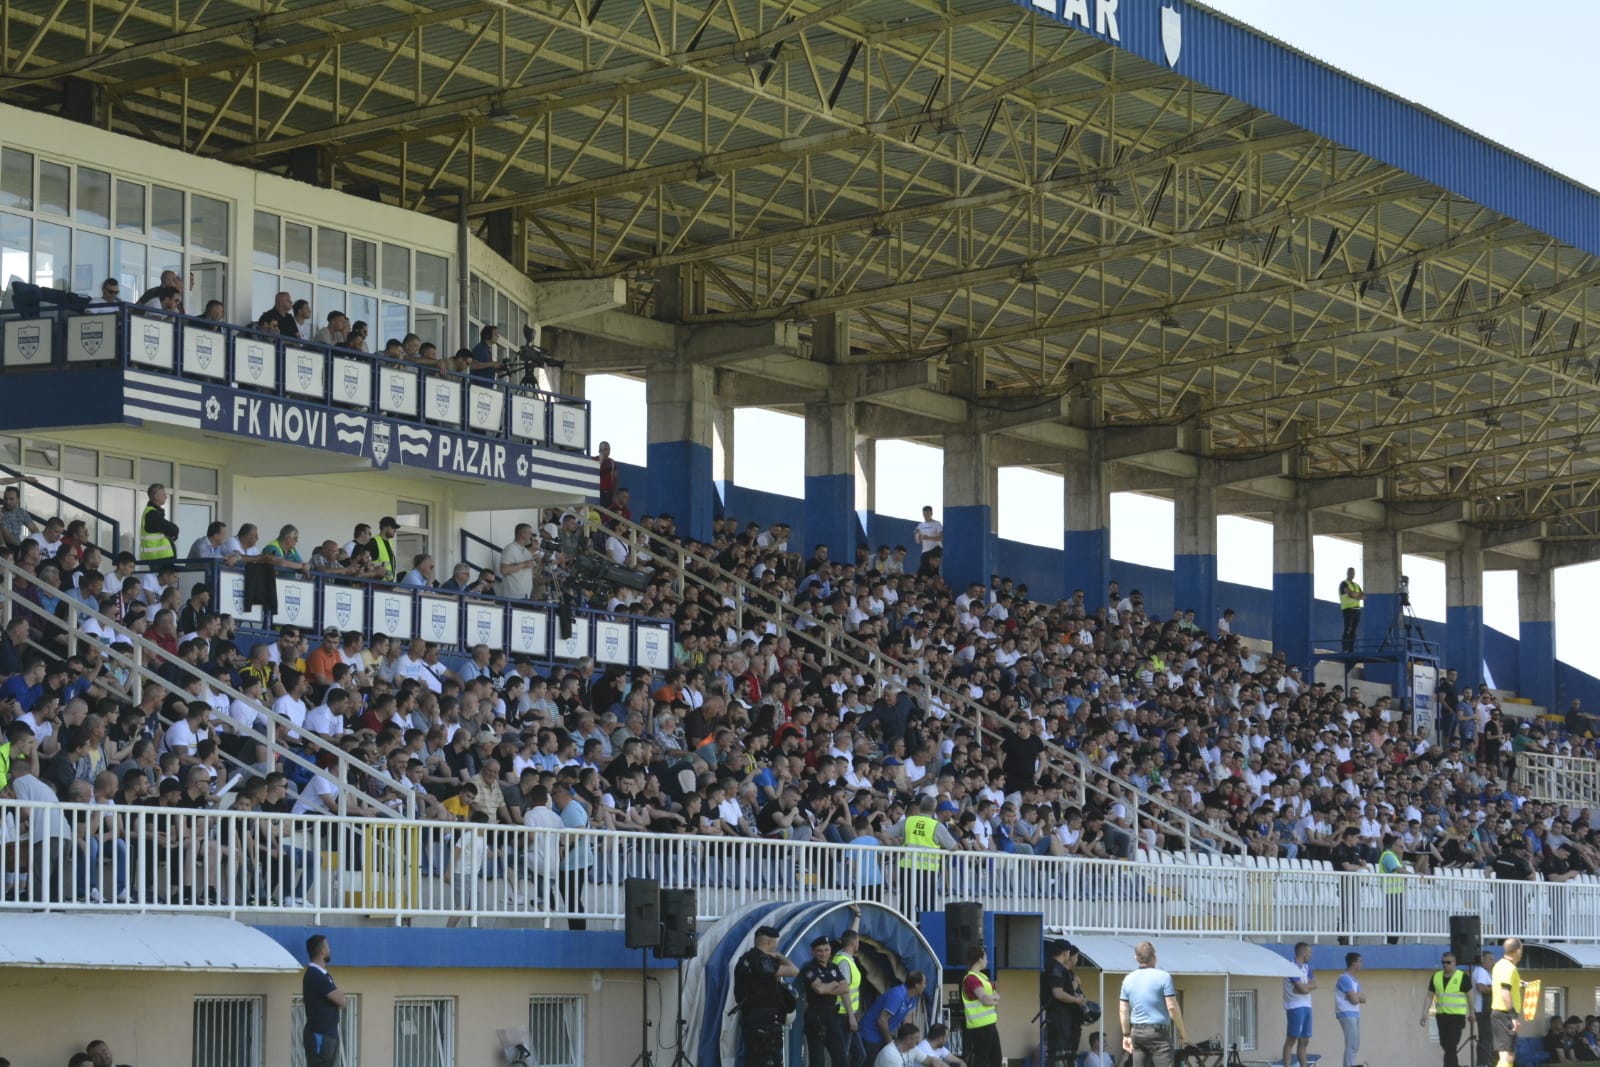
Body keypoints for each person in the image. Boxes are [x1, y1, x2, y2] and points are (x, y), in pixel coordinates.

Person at [734, 925, 800, 1067]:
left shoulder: (743, 960)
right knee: (770, 1060)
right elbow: (794, 970)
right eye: (776, 943)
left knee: (753, 1061)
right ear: (769, 942)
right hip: (766, 1021)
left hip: (749, 1018)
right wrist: (779, 956)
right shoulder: (762, 961)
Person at [1119, 941, 1187, 1067]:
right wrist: (1182, 1030)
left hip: (1137, 1033)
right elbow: (1172, 1006)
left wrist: (1126, 1035)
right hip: (1158, 1034)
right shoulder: (1164, 977)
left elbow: (1123, 1009)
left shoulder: (1128, 979)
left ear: (1136, 958)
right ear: (1154, 956)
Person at [800, 934, 854, 1067]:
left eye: (826, 950)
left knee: (841, 1058)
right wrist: (834, 984)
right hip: (816, 1017)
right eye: (819, 951)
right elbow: (819, 989)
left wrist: (827, 988)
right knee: (817, 1060)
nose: (823, 954)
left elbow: (845, 988)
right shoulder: (809, 968)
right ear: (813, 952)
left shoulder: (833, 967)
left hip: (832, 1015)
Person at [863, 970, 928, 1063]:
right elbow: (881, 1020)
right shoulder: (897, 995)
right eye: (924, 983)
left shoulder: (914, 997)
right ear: (917, 985)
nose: (925, 986)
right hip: (870, 1034)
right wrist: (891, 1043)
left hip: (882, 1035)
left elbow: (908, 1020)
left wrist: (906, 1040)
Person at [1041, 939, 1087, 1067]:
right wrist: (1076, 1000)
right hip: (1058, 1016)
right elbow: (1058, 993)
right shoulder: (1055, 967)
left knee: (1063, 1055)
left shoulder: (1056, 967)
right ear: (1065, 953)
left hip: (1063, 1017)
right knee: (1057, 1055)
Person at [302, 934, 346, 1067]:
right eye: (328, 947)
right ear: (322, 951)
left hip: (326, 1035)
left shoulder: (321, 975)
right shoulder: (316, 975)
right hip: (320, 1035)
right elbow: (341, 1000)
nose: (329, 950)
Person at [1424, 952, 1472, 1067]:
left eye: (1448, 962)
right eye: (1443, 962)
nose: (1445, 965)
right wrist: (1424, 1013)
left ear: (1454, 963)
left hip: (1457, 1017)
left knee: (1451, 1045)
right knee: (1444, 1044)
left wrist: (1472, 1013)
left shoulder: (1462, 977)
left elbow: (1470, 997)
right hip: (1441, 1016)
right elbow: (1430, 996)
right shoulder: (1436, 976)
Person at [835, 906, 867, 1067]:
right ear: (854, 943)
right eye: (858, 941)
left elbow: (852, 935)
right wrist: (851, 1017)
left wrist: (858, 915)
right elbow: (844, 990)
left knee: (860, 1055)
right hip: (843, 1015)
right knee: (844, 1057)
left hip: (848, 1014)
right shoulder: (844, 963)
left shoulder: (846, 956)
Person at [961, 944, 1002, 1067]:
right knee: (982, 1060)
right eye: (986, 958)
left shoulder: (983, 976)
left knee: (997, 1058)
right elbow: (985, 999)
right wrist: (993, 1000)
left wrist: (993, 998)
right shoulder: (971, 979)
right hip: (980, 1026)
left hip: (990, 1024)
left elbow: (995, 995)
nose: (987, 961)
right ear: (980, 959)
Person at [1489, 938, 1524, 1067]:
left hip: (1499, 1014)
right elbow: (1505, 992)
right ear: (1518, 950)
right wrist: (1513, 1017)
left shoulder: (1499, 965)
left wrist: (1519, 984)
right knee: (1507, 1056)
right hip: (1505, 1014)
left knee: (1506, 1055)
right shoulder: (1509, 968)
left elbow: (1504, 985)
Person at [1282, 941, 1316, 1067]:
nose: (1311, 955)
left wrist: (1305, 988)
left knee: (1304, 1040)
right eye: (1309, 952)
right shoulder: (1291, 967)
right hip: (1295, 1006)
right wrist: (1305, 988)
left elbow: (1315, 984)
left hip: (1307, 1005)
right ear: (1304, 952)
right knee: (1292, 1039)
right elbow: (1302, 989)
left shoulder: (1306, 967)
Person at [1335, 952, 1364, 1067]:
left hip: (1355, 1014)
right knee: (1351, 1045)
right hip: (1346, 1014)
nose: (1361, 964)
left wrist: (1354, 995)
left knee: (1355, 1045)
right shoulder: (1344, 978)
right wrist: (1356, 996)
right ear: (1353, 963)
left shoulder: (1355, 980)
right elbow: (1355, 1000)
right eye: (1360, 961)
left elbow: (1364, 998)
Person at [138, 482, 179, 562]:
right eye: (163, 494)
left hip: (157, 558)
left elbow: (167, 529)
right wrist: (174, 532)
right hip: (159, 559)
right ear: (156, 496)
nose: (166, 497)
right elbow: (173, 529)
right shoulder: (152, 513)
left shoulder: (152, 512)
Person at [1379, 834, 1406, 943]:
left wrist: (1400, 857)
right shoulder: (1388, 855)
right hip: (1390, 893)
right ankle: (1390, 943)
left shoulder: (1394, 857)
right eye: (1400, 846)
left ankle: (1393, 941)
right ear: (1393, 845)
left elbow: (1401, 868)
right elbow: (1398, 869)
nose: (1402, 849)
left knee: (1397, 922)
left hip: (1396, 893)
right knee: (1393, 921)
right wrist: (1413, 875)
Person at [1473, 949, 1496, 1067]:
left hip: (1484, 1009)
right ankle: (1483, 1063)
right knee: (1486, 1038)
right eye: (1490, 960)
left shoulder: (1483, 972)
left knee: (1485, 1038)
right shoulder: (1481, 971)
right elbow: (1481, 988)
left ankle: (1483, 1062)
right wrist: (1496, 989)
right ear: (1482, 960)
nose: (1493, 962)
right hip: (1482, 1009)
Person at [1339, 566, 1364, 652]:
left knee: (1353, 631)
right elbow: (1349, 594)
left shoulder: (1356, 585)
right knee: (1347, 629)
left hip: (1357, 610)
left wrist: (1354, 594)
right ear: (1347, 573)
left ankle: (1351, 649)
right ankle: (1345, 649)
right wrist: (1357, 595)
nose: (1351, 574)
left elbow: (1363, 596)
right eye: (1350, 573)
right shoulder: (1344, 583)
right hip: (1348, 609)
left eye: (1353, 573)